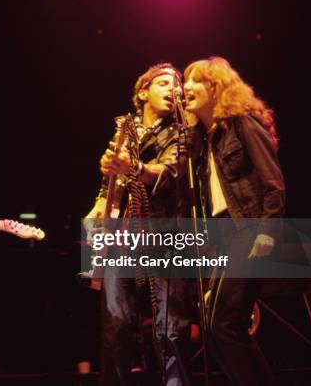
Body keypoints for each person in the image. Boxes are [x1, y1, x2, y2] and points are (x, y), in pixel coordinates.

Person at [86, 63, 197, 386]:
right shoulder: (125, 130)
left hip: (166, 234)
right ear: (143, 93)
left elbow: (170, 170)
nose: (173, 88)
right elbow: (111, 187)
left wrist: (134, 167)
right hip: (123, 236)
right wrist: (99, 203)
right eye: (164, 83)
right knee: (115, 325)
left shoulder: (184, 130)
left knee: (170, 327)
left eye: (177, 84)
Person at [183, 56, 285, 386]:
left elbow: (273, 181)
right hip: (224, 238)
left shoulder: (242, 123)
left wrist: (268, 231)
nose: (186, 87)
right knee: (215, 331)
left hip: (249, 229)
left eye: (195, 80)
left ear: (216, 87)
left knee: (225, 325)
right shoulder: (205, 141)